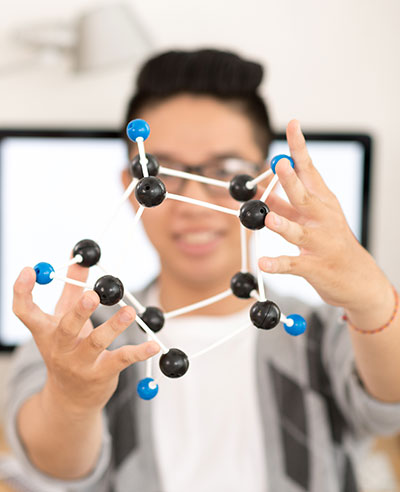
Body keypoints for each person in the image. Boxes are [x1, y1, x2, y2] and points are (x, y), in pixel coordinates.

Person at [8, 49, 400, 492]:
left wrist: (370, 295)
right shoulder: (74, 338)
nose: (192, 201)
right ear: (131, 188)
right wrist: (72, 398)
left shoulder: (319, 332)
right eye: (163, 173)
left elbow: (387, 402)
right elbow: (52, 469)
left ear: (264, 184)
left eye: (226, 171)